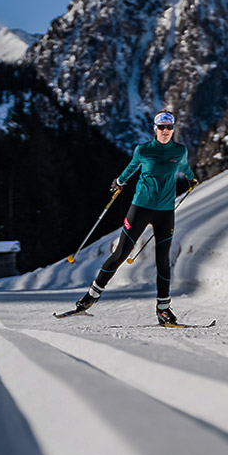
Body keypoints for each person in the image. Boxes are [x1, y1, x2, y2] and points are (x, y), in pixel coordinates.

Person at [74, 110, 196, 326]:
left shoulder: (180, 150)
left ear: (174, 128)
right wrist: (119, 182)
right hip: (140, 208)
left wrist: (192, 177)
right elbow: (131, 168)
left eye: (169, 127)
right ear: (155, 129)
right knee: (121, 252)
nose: (165, 131)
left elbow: (183, 166)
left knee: (163, 261)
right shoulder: (144, 150)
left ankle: (163, 310)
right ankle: (90, 297)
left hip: (165, 212)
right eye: (161, 127)